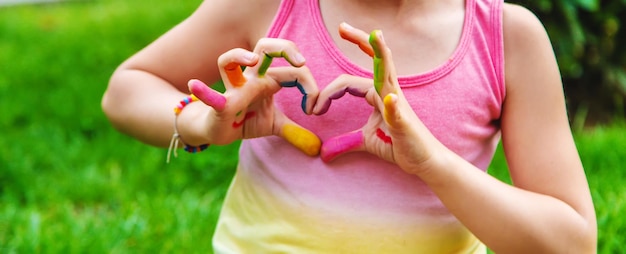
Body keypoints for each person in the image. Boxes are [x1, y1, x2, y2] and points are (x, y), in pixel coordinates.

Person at [101, 0, 597, 252]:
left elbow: (571, 241)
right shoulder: (270, 6)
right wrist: (202, 123)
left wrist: (432, 163)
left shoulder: (507, 37)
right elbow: (127, 88)